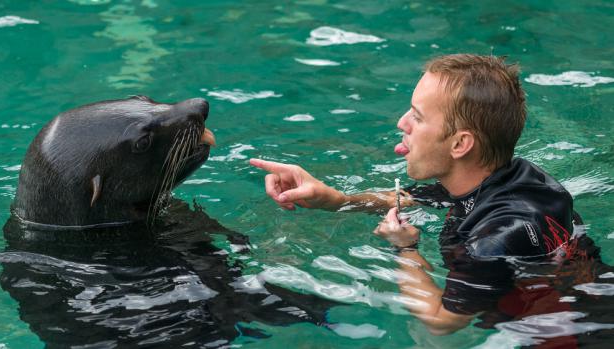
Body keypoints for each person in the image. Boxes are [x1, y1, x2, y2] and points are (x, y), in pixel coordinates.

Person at [249, 54, 593, 336]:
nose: (402, 123)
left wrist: (406, 250)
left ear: (460, 144)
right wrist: (333, 198)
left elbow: (443, 320)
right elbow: (413, 198)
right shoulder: (510, 176)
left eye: (417, 116)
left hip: (570, 336)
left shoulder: (495, 239)